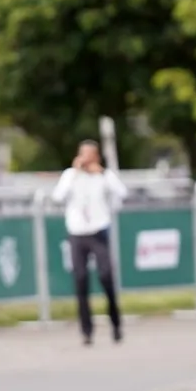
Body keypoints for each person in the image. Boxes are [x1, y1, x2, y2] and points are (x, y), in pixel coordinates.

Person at [52, 140, 128, 345]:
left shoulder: (104, 175)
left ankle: (116, 324)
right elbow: (58, 197)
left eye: (90, 154)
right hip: (77, 232)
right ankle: (86, 331)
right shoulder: (70, 175)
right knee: (80, 280)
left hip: (98, 230)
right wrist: (76, 172)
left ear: (96, 157)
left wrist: (101, 173)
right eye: (82, 154)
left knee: (106, 276)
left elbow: (122, 193)